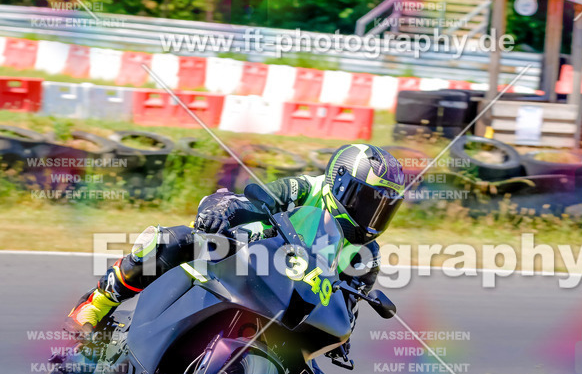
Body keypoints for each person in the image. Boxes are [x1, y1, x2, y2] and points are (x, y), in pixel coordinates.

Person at [66, 143, 407, 339]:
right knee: (175, 240)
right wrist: (221, 208)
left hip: (287, 306)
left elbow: (346, 313)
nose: (372, 216)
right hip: (247, 257)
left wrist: (339, 341)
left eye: (382, 209)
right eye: (367, 201)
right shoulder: (306, 188)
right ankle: (97, 301)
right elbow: (254, 199)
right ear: (340, 181)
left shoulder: (366, 256)